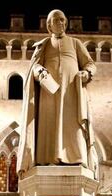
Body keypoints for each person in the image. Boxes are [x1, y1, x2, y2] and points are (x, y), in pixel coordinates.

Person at [17, 9, 97, 176]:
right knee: (48, 124)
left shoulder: (75, 43)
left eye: (63, 20)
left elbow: (90, 63)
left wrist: (87, 73)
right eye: (56, 20)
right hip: (49, 94)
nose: (61, 23)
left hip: (72, 93)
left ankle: (76, 158)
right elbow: (34, 66)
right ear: (49, 25)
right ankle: (46, 159)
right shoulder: (44, 45)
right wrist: (40, 72)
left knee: (73, 124)